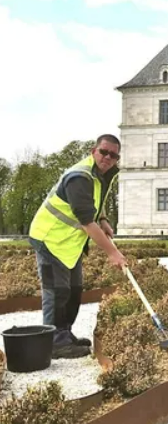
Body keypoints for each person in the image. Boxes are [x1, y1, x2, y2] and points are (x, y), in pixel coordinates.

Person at [28, 134, 127, 358]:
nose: (108, 158)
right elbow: (85, 221)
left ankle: (64, 334)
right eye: (104, 152)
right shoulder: (79, 177)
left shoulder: (102, 175)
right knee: (56, 291)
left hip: (68, 242)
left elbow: (94, 206)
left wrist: (103, 219)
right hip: (49, 237)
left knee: (73, 290)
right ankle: (53, 341)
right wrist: (113, 253)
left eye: (113, 155)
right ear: (94, 151)